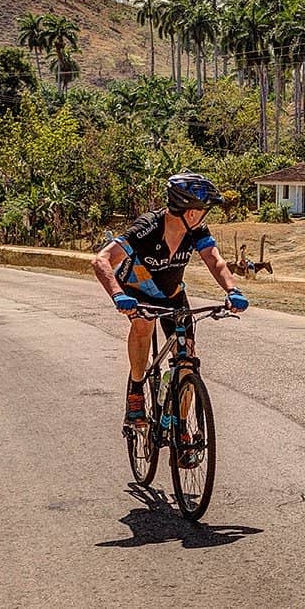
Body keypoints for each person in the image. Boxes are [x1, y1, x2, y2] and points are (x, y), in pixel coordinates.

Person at [92, 173, 248, 427]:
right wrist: (118, 295)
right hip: (138, 293)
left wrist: (233, 290)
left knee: (187, 360)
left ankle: (180, 426)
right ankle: (136, 390)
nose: (205, 215)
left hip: (173, 294)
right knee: (143, 327)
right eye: (204, 210)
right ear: (190, 213)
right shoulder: (148, 227)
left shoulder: (196, 231)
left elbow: (214, 259)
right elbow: (102, 260)